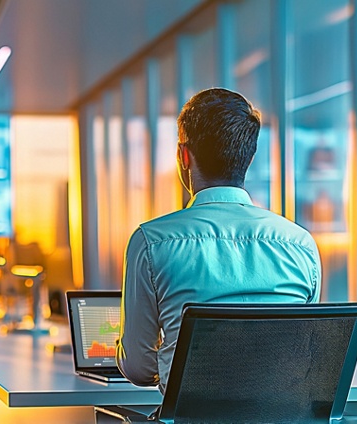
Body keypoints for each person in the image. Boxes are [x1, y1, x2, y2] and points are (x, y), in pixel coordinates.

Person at [116, 88, 322, 393]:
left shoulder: (151, 243)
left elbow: (139, 369)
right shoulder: (301, 245)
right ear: (249, 157)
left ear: (183, 156)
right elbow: (301, 358)